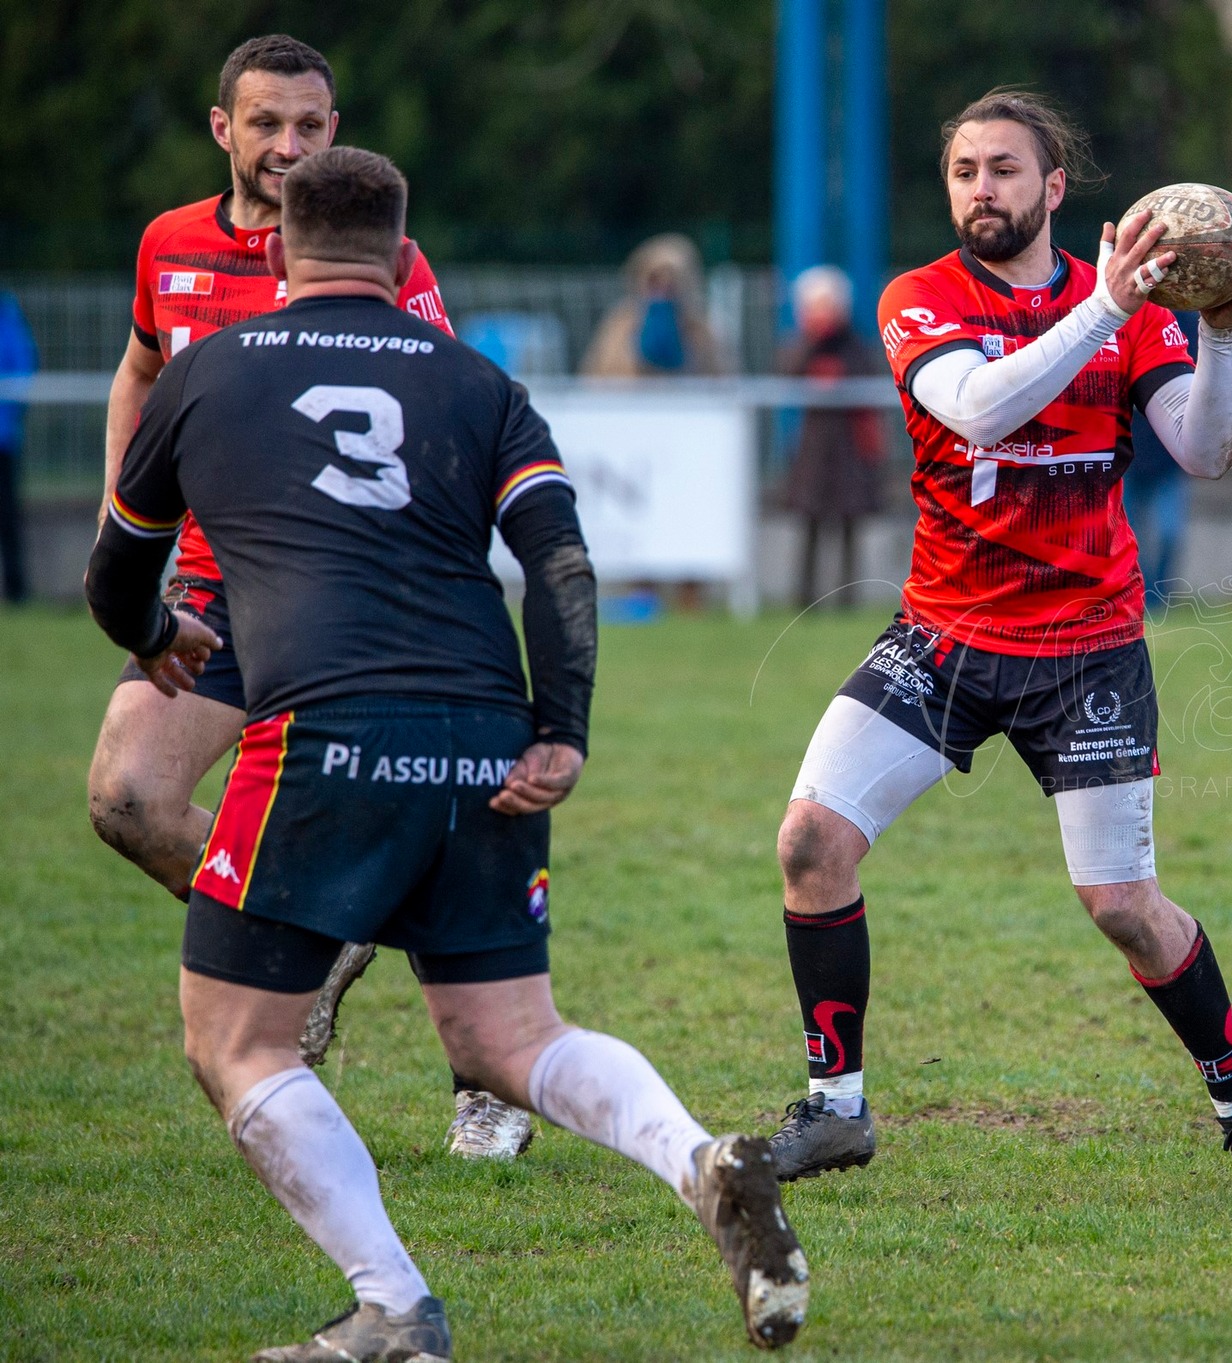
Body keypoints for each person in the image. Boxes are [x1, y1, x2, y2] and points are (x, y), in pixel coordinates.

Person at [85, 146, 808, 1358]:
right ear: (401, 253)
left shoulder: (205, 371)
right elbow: (562, 568)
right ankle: (702, 1159)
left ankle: (395, 1305)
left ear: (274, 251)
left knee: (237, 1040)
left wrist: (158, 635)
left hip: (322, 723)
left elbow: (115, 575)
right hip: (484, 729)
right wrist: (561, 731)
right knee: (510, 1039)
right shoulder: (480, 381)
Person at [764, 88, 1232, 1203]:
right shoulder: (919, 298)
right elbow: (977, 410)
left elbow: (1205, 453)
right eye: (963, 170)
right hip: (942, 637)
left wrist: (1215, 331)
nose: (980, 190)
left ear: (1053, 189)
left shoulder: (1132, 310)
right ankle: (834, 1108)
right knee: (811, 841)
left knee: (1122, 906)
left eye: (1004, 169)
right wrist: (1107, 306)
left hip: (1087, 647)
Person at [80, 33, 531, 1161]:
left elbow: (438, 412)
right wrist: (121, 509)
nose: (288, 145)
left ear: (336, 131)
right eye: (266, 122)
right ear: (222, 128)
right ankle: (323, 943)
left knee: (429, 818)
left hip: (358, 601)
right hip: (215, 598)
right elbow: (141, 367)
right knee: (128, 796)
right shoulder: (167, 245)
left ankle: (490, 1078)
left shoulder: (389, 258)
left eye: (311, 125)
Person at [779, 264, 885, 608]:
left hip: (849, 449)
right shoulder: (802, 343)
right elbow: (788, 370)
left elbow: (862, 373)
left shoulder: (854, 343)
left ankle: (846, 598)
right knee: (809, 524)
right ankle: (803, 598)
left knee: (848, 526)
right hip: (812, 449)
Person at [1123, 308, 1198, 610]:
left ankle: (1157, 597)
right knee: (1130, 537)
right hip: (1126, 456)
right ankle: (1141, 597)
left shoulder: (1187, 322)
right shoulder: (1124, 313)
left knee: (1170, 531)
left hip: (1168, 458)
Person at [580, 233, 727, 377]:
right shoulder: (619, 327)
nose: (663, 289)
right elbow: (597, 379)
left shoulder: (703, 331)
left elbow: (722, 381)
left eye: (671, 283)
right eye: (655, 280)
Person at [0, 288, 34, 604]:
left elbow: (23, 372)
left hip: (3, 439)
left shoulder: (9, 319)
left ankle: (16, 591)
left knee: (8, 518)